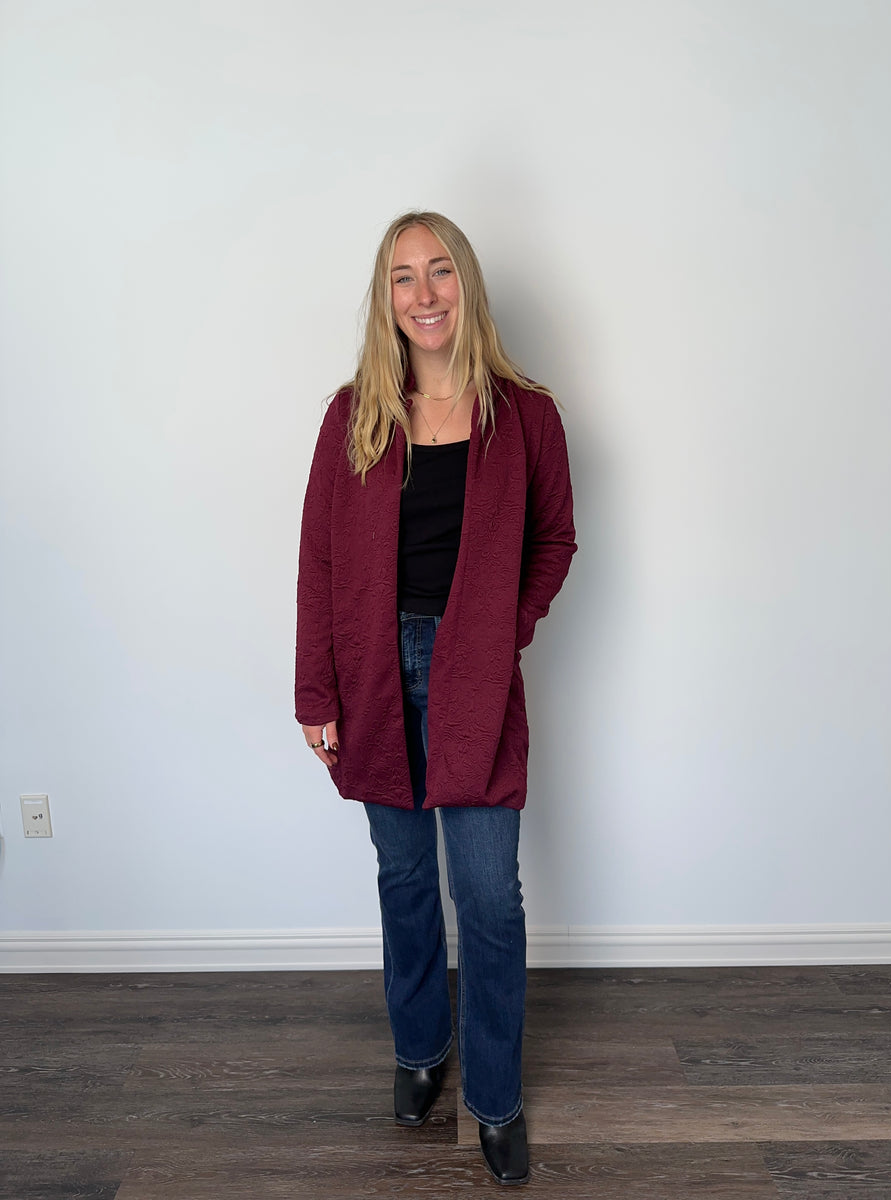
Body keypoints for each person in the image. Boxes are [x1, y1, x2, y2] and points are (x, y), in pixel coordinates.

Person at [295, 211, 576, 1186]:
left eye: (440, 270)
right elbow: (319, 562)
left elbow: (554, 540)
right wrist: (315, 690)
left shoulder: (526, 415)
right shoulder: (354, 416)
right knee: (406, 878)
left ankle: (495, 1097)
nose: (424, 293)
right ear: (386, 299)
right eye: (404, 276)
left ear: (467, 284)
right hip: (372, 671)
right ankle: (420, 1049)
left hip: (473, 674)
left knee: (489, 896)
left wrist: (502, 630)